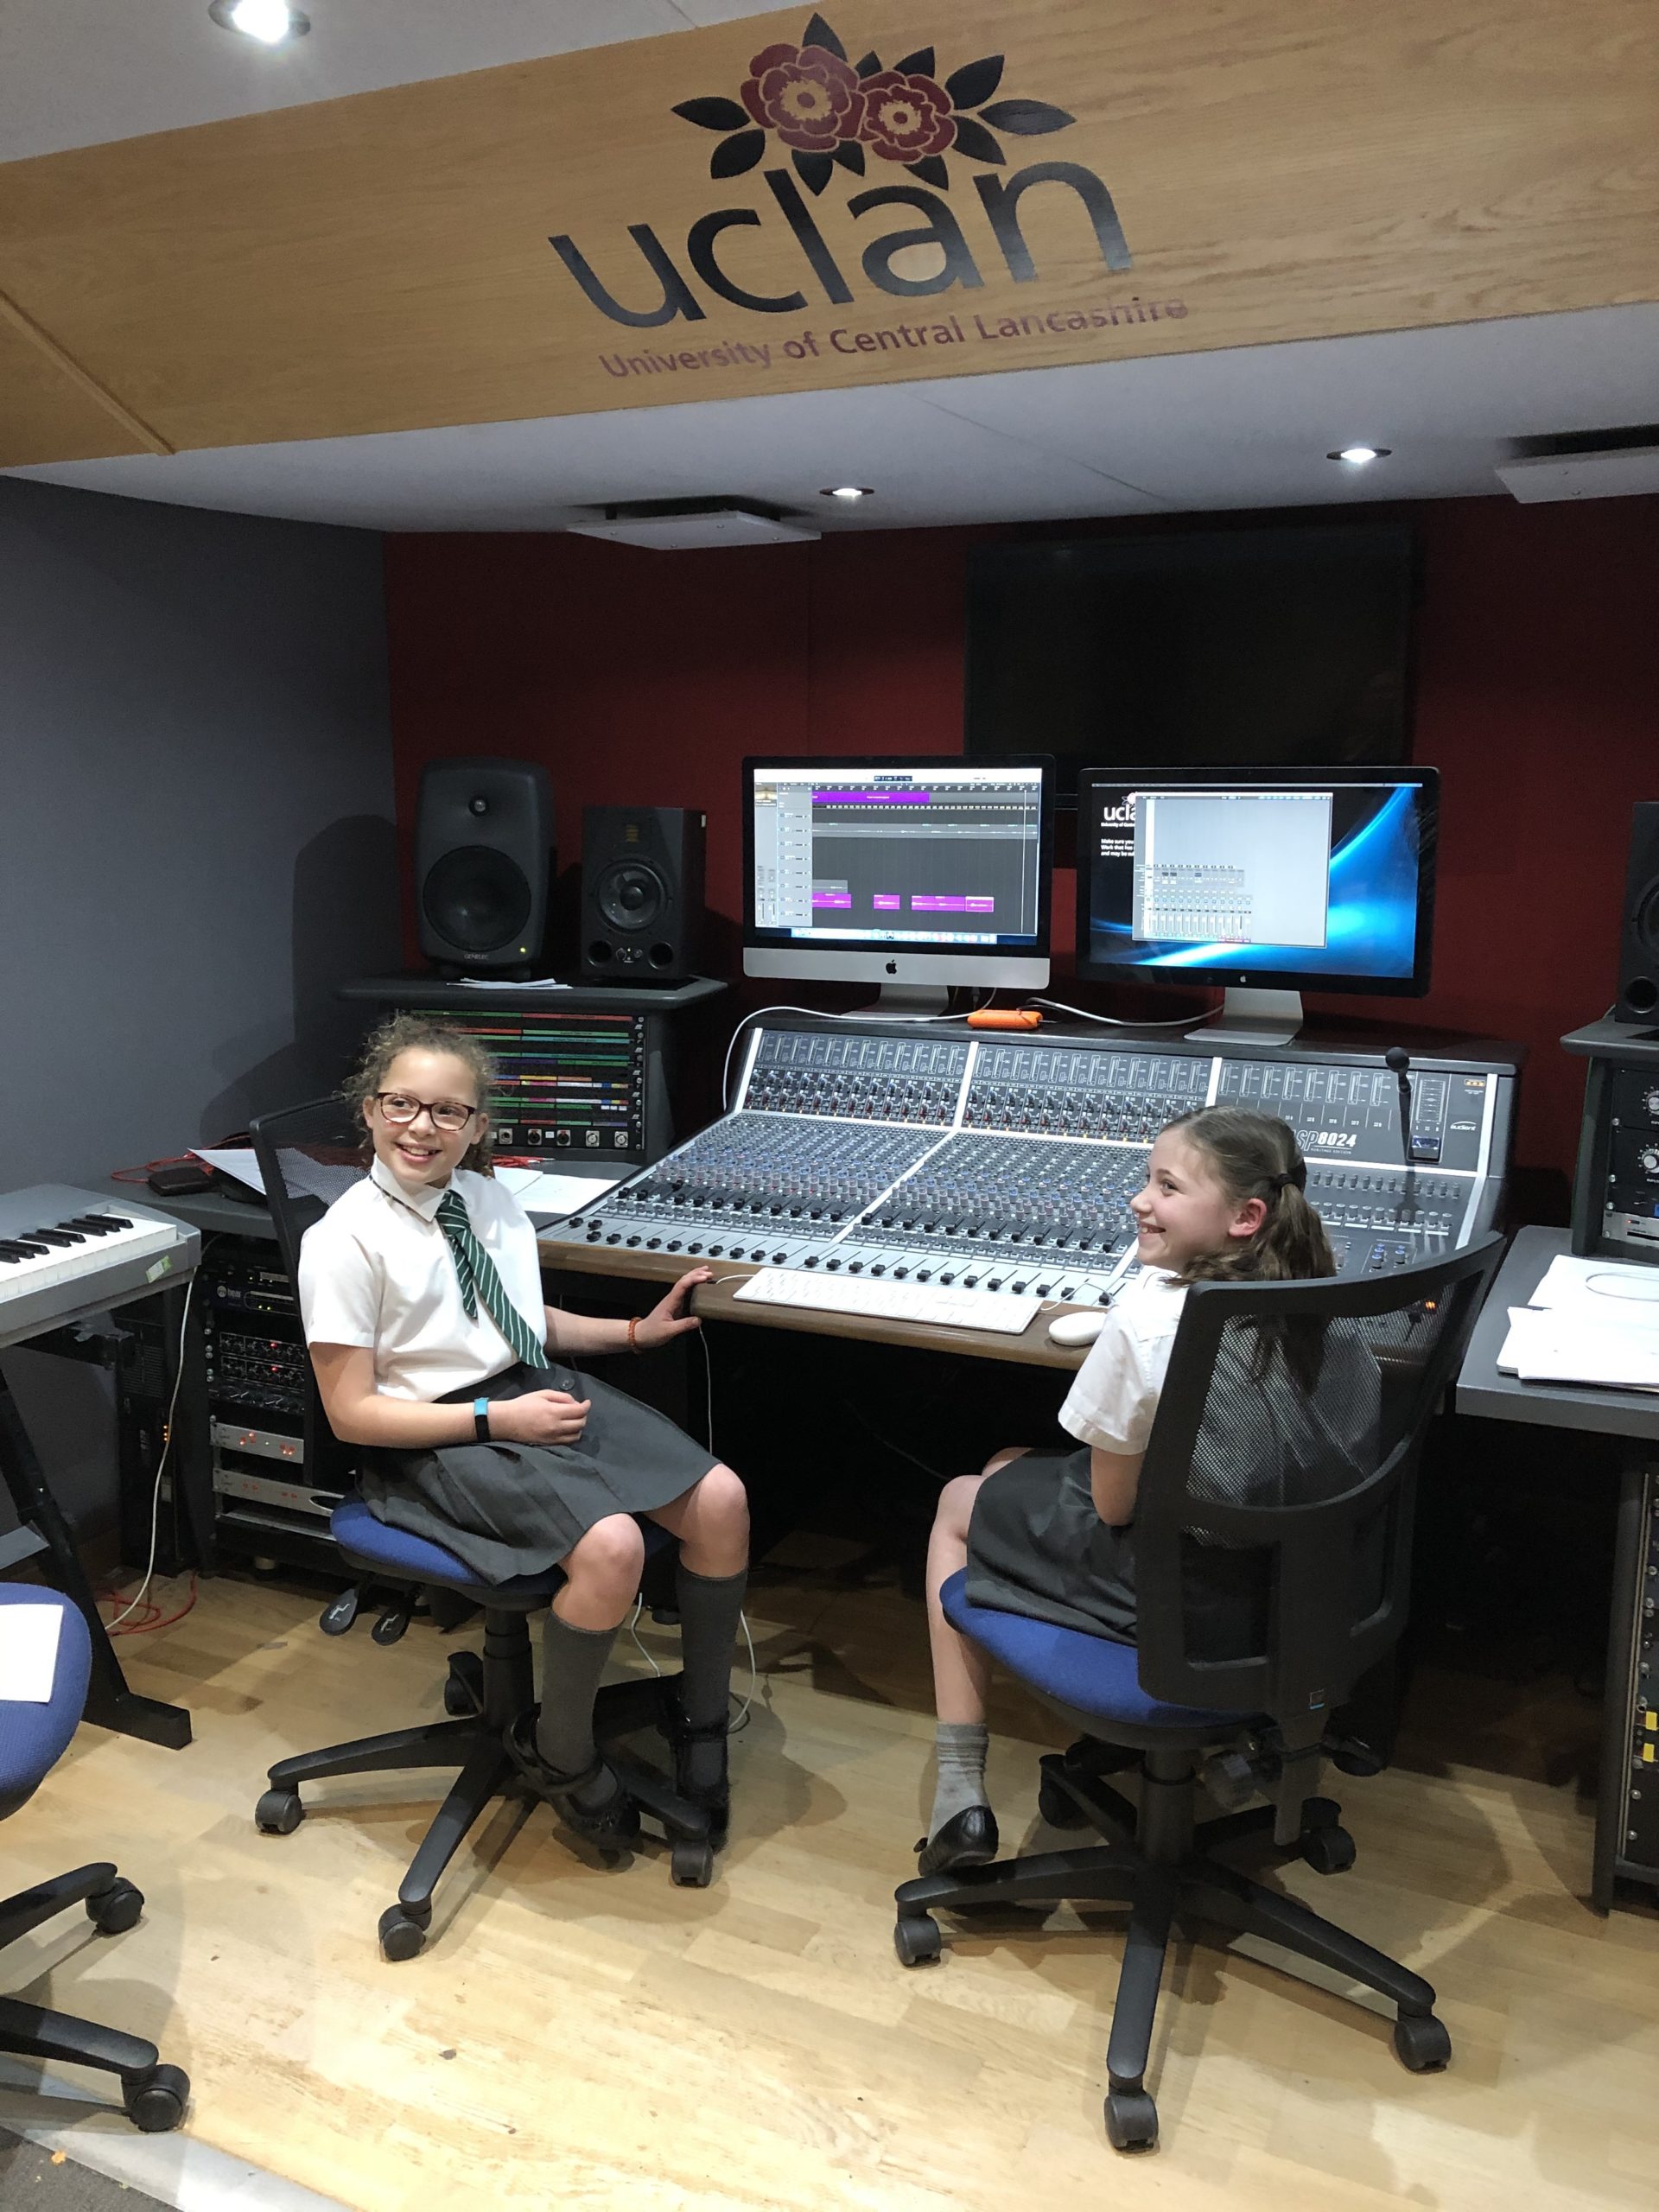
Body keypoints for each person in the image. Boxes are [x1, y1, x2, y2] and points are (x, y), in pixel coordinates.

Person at [296, 1014, 750, 1850]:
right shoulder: (342, 1243)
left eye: (447, 1112)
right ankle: (564, 1755)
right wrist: (497, 1419)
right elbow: (350, 1413)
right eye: (402, 1105)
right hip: (431, 1434)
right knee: (611, 1547)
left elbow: (515, 1320)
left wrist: (630, 1335)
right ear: (369, 1110)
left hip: (524, 1390)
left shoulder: (486, 1199)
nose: (422, 1128)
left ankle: (704, 1717)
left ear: (476, 1127)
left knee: (721, 1499)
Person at [918, 1105, 1350, 1878]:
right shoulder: (1328, 1288)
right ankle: (1256, 1745)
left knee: (958, 1503)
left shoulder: (1150, 1318)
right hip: (1297, 1595)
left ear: (1245, 1216)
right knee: (1010, 1463)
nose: (1139, 1201)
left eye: (1167, 1187)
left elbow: (1112, 1508)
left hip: (1184, 1608)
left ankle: (958, 1790)